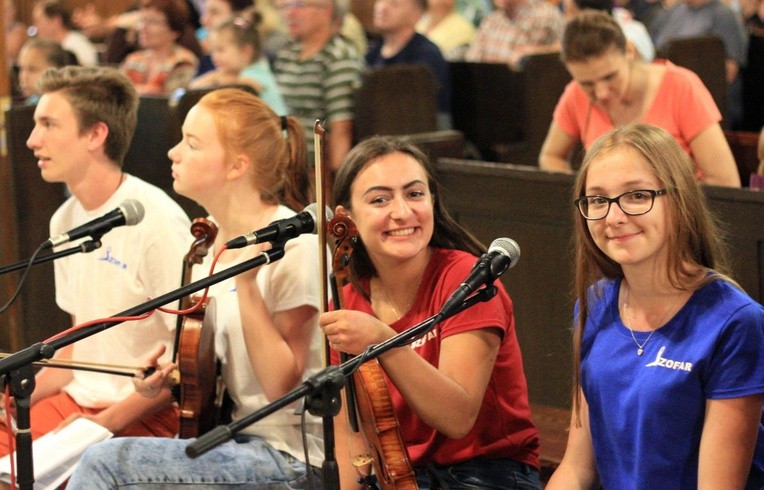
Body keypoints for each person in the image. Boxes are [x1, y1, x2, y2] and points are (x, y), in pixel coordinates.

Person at [68, 87, 326, 488]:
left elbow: (280, 385)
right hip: (232, 439)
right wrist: (166, 379)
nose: (173, 153)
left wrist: (247, 283)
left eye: (192, 143)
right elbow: (220, 376)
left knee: (106, 463)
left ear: (236, 165)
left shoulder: (295, 246)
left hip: (289, 457)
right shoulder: (210, 248)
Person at [545, 123, 763, 489]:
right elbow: (577, 468)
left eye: (636, 195)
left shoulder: (736, 323)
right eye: (597, 200)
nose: (613, 217)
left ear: (678, 200)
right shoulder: (595, 303)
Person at [320, 136, 541, 488]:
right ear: (348, 218)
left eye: (414, 194)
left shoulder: (469, 281)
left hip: (486, 472)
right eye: (380, 199)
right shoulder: (346, 303)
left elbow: (456, 417)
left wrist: (384, 341)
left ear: (433, 202)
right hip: (401, 477)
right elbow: (352, 439)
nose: (402, 212)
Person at [0, 66, 191, 457]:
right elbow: (77, 348)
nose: (33, 140)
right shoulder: (65, 219)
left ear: (95, 134)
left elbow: (185, 363)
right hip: (78, 401)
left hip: (142, 412)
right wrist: (13, 401)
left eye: (49, 124)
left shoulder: (158, 220)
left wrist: (101, 425)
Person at [538, 10, 741, 188]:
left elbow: (724, 180)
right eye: (587, 84)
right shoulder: (575, 94)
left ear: (629, 50)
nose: (601, 93)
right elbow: (551, 156)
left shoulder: (680, 85)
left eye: (610, 77)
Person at [273, 0, 363, 171]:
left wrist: (335, 187)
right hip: (279, 160)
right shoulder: (288, 53)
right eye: (286, 6)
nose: (289, 14)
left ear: (327, 10)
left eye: (299, 6)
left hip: (312, 170)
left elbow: (341, 130)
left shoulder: (338, 57)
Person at [650, 0, 748, 127]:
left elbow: (730, 70)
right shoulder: (673, 12)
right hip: (666, 97)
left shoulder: (723, 15)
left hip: (706, 105)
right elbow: (654, 53)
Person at [366, 0, 453, 129]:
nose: (382, 7)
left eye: (394, 4)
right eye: (380, 0)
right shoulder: (372, 53)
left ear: (417, 14)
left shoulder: (426, 56)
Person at [189, 12, 288, 115]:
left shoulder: (254, 74)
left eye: (220, 50)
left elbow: (243, 88)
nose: (214, 56)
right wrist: (215, 77)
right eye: (212, 51)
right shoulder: (255, 67)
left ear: (246, 52)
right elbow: (192, 88)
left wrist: (218, 78)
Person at [120, 0, 199, 95]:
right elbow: (116, 91)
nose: (143, 27)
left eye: (153, 22)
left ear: (174, 31)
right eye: (142, 20)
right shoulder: (134, 59)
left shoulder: (183, 61)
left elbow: (172, 99)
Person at [464, 0, 564, 67]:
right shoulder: (491, 21)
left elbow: (566, 50)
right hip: (487, 90)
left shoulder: (545, 15)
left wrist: (539, 52)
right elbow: (472, 61)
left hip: (529, 91)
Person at [562, 0, 655, 61]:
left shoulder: (621, 42)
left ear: (585, 14)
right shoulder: (630, 24)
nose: (565, 17)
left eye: (568, 11)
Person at [31, 0, 99, 66]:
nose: (35, 27)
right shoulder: (47, 48)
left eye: (38, 21)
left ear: (56, 21)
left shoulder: (77, 46)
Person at [17, 38, 78, 105]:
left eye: (32, 69)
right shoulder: (32, 101)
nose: (23, 77)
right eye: (21, 68)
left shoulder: (68, 104)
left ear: (58, 70)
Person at [4, 0, 28, 65]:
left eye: (11, 9)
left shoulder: (19, 29)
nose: (9, 13)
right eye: (5, 10)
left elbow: (11, 51)